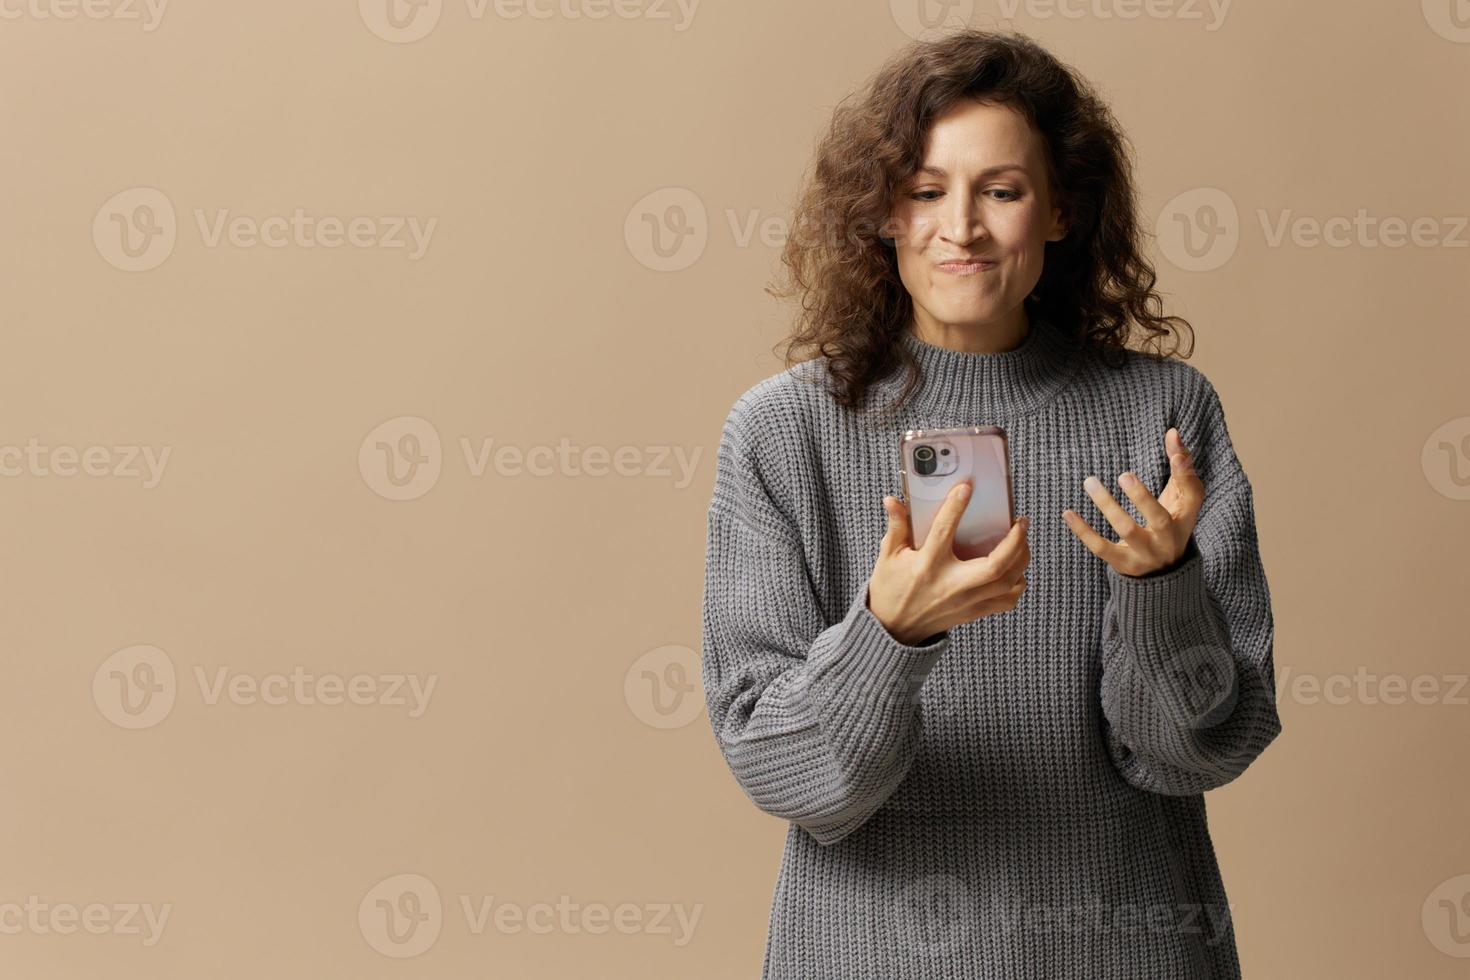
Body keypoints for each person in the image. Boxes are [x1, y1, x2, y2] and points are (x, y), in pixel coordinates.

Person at [699, 28, 1282, 980]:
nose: (959, 227)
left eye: (1001, 191)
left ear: (1060, 211)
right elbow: (792, 775)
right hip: (871, 956)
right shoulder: (781, 434)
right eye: (925, 192)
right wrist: (888, 635)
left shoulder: (1164, 414)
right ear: (881, 213)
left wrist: (1165, 588)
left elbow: (1196, 753)